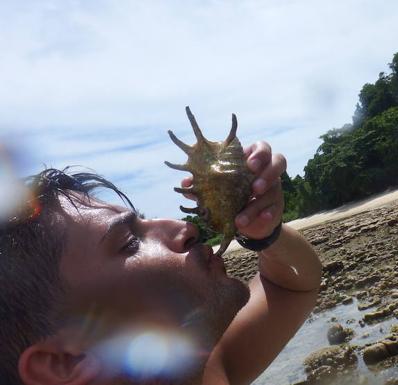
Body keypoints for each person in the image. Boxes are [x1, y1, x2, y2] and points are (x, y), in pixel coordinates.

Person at [0, 141, 322, 385]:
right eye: (130, 242)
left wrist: (263, 234)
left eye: (143, 220)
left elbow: (291, 284)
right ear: (64, 362)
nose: (187, 228)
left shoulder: (208, 374)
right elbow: (292, 287)